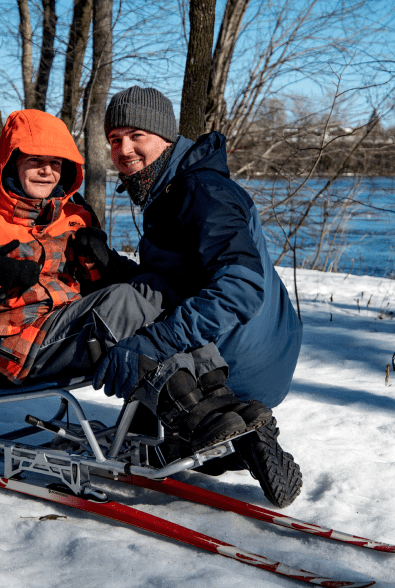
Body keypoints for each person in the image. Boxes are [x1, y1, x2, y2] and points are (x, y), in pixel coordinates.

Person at [0, 109, 266, 457]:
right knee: (123, 302)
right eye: (34, 160)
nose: (46, 171)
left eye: (55, 163)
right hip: (19, 344)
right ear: (11, 162)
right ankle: (195, 418)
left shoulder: (75, 216)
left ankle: (219, 399)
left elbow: (98, 287)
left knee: (155, 289)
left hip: (75, 327)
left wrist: (101, 262)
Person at [87, 86, 305, 507]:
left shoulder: (200, 190)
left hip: (237, 358)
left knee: (132, 330)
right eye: (114, 139)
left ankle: (217, 421)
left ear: (166, 138)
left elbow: (240, 288)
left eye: (137, 136)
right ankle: (238, 437)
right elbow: (174, 282)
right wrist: (113, 265)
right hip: (271, 351)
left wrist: (153, 342)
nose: (124, 150)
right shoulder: (178, 187)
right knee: (155, 437)